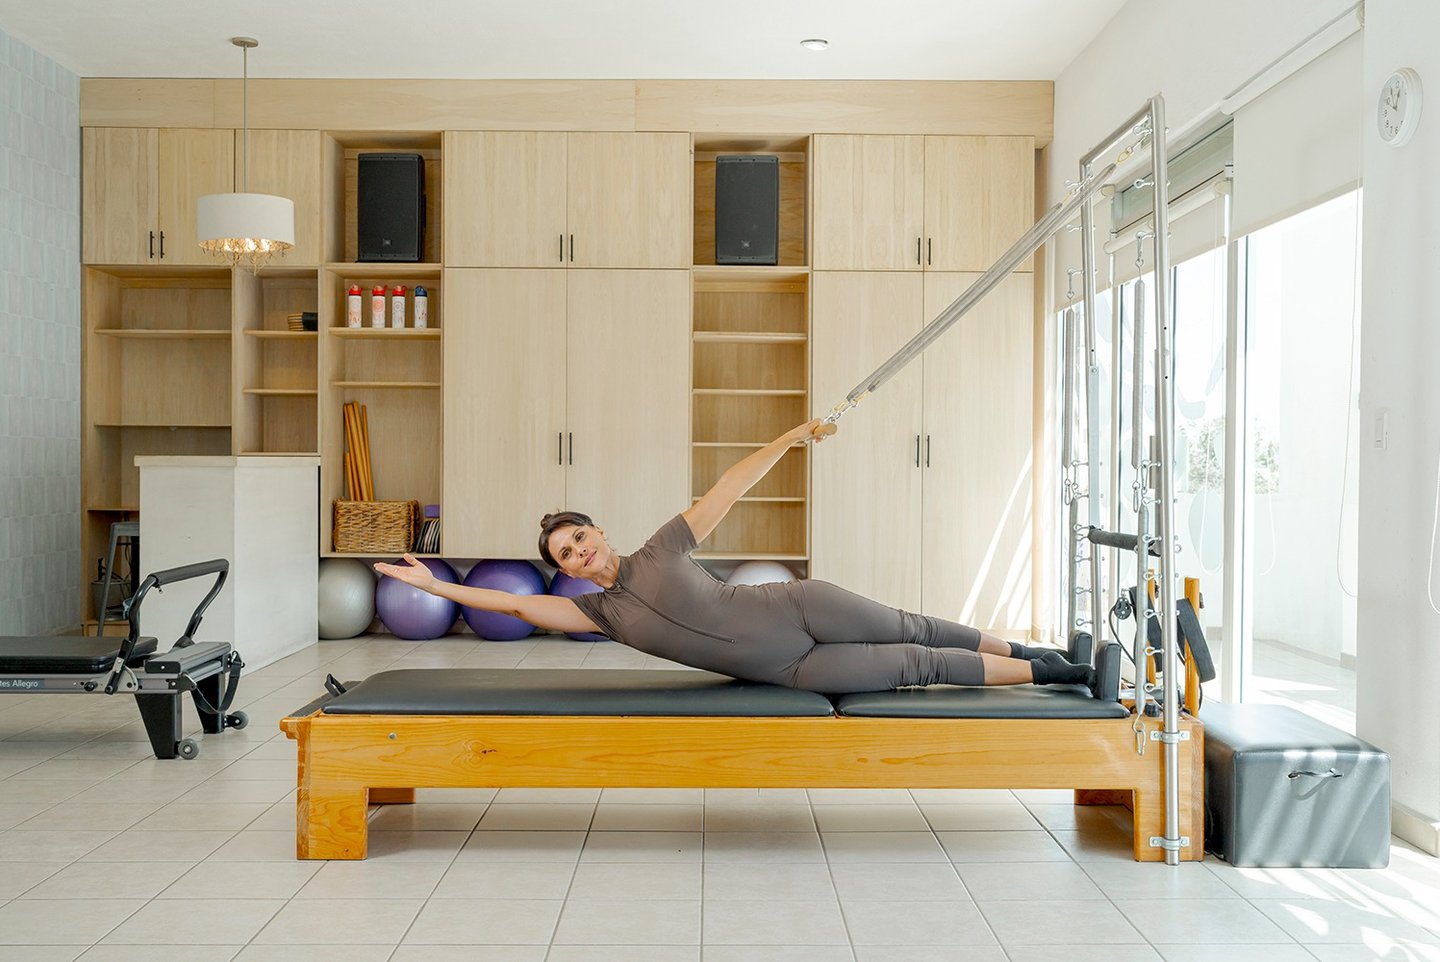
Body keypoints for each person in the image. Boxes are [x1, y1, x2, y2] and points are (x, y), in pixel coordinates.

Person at [375, 419, 1093, 694]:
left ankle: (1031, 650)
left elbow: (726, 488)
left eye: (580, 536)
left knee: (918, 625)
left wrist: (788, 440)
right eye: (566, 553)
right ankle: (1044, 673)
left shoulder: (661, 544)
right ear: (566, 570)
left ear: (599, 531)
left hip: (796, 605)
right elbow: (504, 602)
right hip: (791, 669)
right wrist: (435, 584)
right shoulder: (599, 615)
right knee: (915, 665)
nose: (579, 551)